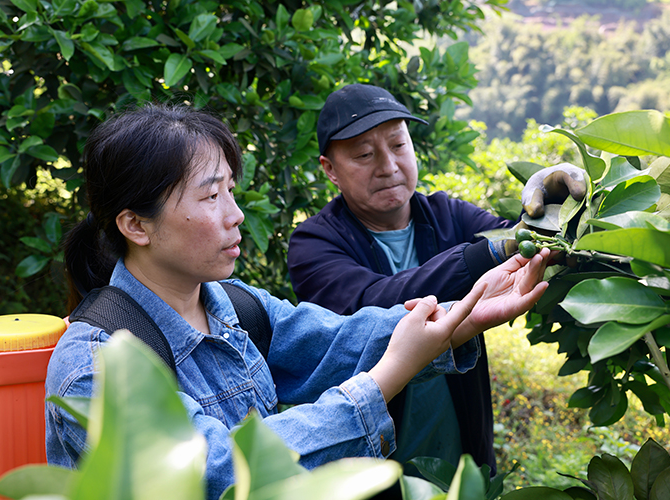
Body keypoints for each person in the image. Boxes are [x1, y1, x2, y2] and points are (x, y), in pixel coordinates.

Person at [45, 103, 550, 500]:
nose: (236, 215)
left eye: (231, 192)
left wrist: (460, 318)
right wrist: (389, 374)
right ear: (136, 224)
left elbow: (336, 341)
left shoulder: (233, 306)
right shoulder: (96, 366)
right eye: (210, 197)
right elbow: (219, 474)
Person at [287, 84, 586, 475]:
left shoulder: (447, 215)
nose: (388, 166)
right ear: (330, 169)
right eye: (364, 154)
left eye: (398, 145)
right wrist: (494, 250)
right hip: (368, 472)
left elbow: (520, 240)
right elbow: (370, 302)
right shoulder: (314, 243)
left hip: (462, 455)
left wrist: (565, 211)